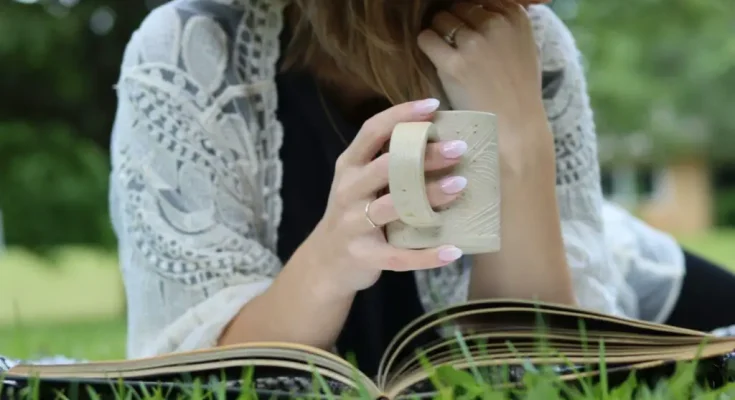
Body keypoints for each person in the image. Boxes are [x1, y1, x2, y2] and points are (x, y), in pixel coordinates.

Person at [107, 0, 735, 377]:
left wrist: (521, 140)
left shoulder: (532, 40)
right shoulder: (192, 52)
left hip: (614, 271)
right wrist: (328, 263)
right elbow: (194, 371)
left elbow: (536, 363)